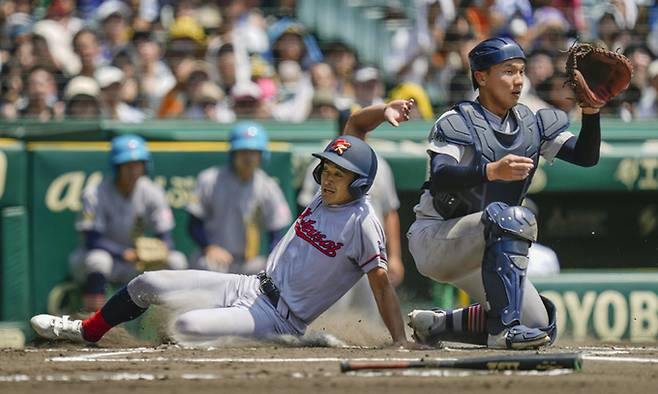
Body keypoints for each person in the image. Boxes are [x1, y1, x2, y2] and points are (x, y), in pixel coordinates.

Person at [31, 129, 411, 347]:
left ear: (359, 183)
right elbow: (354, 128)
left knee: (186, 327)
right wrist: (382, 112)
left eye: (338, 173)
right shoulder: (322, 197)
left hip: (281, 318)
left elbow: (382, 289)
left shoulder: (363, 223)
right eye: (326, 169)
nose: (327, 177)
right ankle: (86, 330)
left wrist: (398, 343)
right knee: (146, 282)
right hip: (249, 284)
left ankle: (300, 341)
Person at [396, 37, 602, 349]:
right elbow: (441, 177)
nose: (518, 80)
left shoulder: (533, 122)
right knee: (513, 219)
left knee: (538, 326)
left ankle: (436, 325)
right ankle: (502, 332)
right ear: (481, 76)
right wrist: (490, 171)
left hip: (488, 245)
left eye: (521, 71)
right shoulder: (458, 119)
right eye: (508, 71)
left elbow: (586, 156)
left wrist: (591, 113)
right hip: (438, 237)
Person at [298, 107, 407, 320]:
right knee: (328, 321)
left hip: (369, 252)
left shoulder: (379, 165)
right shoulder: (323, 164)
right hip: (331, 253)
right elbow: (306, 212)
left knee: (372, 319)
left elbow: (389, 212)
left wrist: (395, 257)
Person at [68, 134, 188, 311]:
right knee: (99, 260)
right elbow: (92, 239)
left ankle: (170, 325)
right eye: (128, 166)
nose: (134, 171)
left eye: (138, 165)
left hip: (137, 261)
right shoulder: (95, 193)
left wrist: (160, 250)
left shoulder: (152, 191)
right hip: (100, 259)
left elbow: (165, 236)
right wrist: (123, 253)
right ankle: (92, 323)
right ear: (116, 167)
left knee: (177, 261)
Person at [186, 122, 291, 274]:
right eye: (243, 152)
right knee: (206, 266)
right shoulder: (210, 179)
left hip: (248, 262)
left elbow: (275, 232)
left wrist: (271, 262)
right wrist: (209, 247)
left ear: (262, 155)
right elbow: (193, 224)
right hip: (214, 256)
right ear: (233, 153)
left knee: (272, 271)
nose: (248, 158)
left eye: (253, 152)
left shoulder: (268, 187)